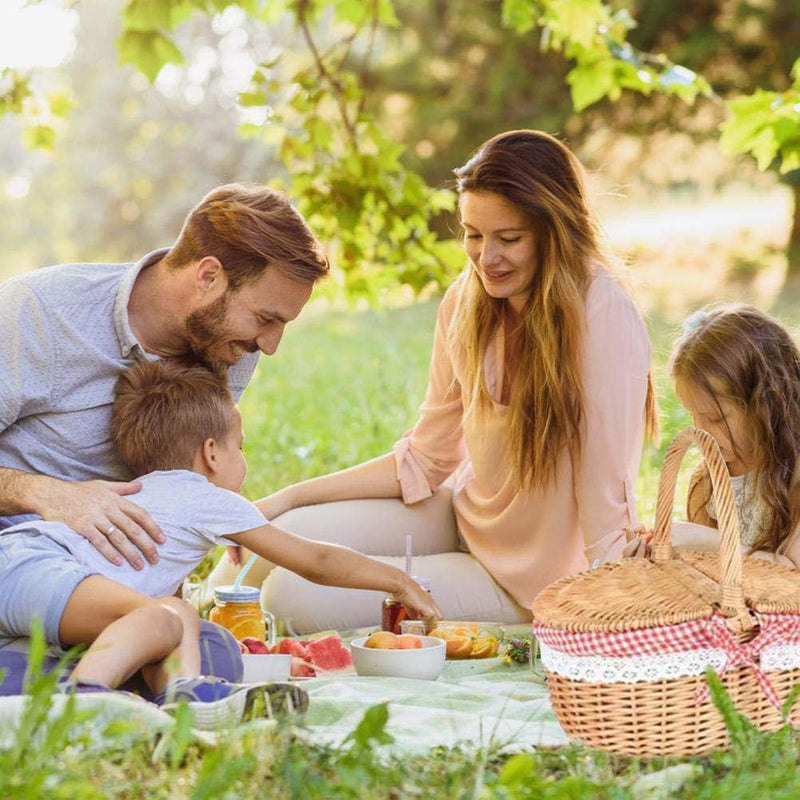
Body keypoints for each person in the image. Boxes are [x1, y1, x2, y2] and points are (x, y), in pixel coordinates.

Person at [206, 130, 658, 632]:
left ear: (554, 233)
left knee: (293, 599)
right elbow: (426, 459)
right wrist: (289, 497)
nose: (487, 258)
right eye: (473, 234)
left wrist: (615, 608)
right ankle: (186, 617)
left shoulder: (601, 312)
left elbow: (606, 495)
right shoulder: (467, 301)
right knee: (279, 535)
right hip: (462, 519)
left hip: (532, 582)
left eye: (509, 239)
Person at [0, 182, 329, 693]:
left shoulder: (230, 350)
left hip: (106, 594)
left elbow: (176, 489)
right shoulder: (38, 312)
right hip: (18, 562)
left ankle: (69, 682)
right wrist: (47, 494)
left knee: (211, 652)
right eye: (266, 318)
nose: (270, 344)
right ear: (208, 275)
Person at [0, 358, 440, 723]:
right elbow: (316, 560)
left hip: (24, 568)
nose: (243, 461)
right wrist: (397, 582)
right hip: (36, 564)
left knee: (177, 616)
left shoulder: (151, 491)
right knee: (165, 621)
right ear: (212, 453)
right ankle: (81, 710)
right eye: (241, 448)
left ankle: (182, 701)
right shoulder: (206, 497)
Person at [653, 304, 799, 565]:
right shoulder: (711, 481)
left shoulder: (794, 475)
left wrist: (711, 542)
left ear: (764, 405)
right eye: (693, 415)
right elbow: (705, 573)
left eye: (715, 418)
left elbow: (794, 574)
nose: (700, 430)